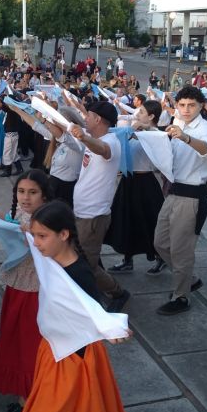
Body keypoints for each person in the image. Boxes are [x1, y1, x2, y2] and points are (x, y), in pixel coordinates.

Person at [7, 201, 142, 412]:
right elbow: (26, 236)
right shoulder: (50, 255)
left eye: (42, 236)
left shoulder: (79, 275)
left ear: (64, 234)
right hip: (54, 352)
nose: (37, 242)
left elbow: (90, 311)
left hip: (75, 361)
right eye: (36, 236)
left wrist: (109, 328)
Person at [0, 169, 51, 412]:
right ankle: (24, 391)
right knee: (13, 336)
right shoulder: (21, 213)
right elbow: (10, 221)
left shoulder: (49, 221)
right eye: (21, 191)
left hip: (36, 291)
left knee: (29, 343)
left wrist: (33, 234)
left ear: (44, 196)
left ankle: (29, 398)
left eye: (33, 192)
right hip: (17, 285)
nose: (25, 197)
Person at [154, 86, 207, 315]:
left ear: (201, 106)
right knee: (160, 243)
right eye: (182, 105)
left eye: (191, 105)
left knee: (181, 250)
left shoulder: (205, 129)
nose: (186, 109)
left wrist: (186, 137)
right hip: (174, 191)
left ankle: (181, 297)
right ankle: (189, 278)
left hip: (192, 195)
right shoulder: (178, 123)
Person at [68, 100, 130, 313]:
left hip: (93, 216)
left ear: (98, 120)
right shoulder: (95, 138)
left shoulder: (110, 141)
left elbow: (102, 149)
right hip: (82, 213)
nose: (85, 118)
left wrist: (83, 136)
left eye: (89, 115)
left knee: (86, 266)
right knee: (84, 257)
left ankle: (117, 292)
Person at [106, 100, 166, 273]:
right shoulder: (133, 130)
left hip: (145, 182)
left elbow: (157, 140)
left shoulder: (155, 134)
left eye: (141, 112)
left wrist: (143, 128)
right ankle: (127, 258)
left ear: (151, 116)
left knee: (150, 221)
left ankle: (160, 257)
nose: (137, 115)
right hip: (128, 180)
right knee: (125, 219)